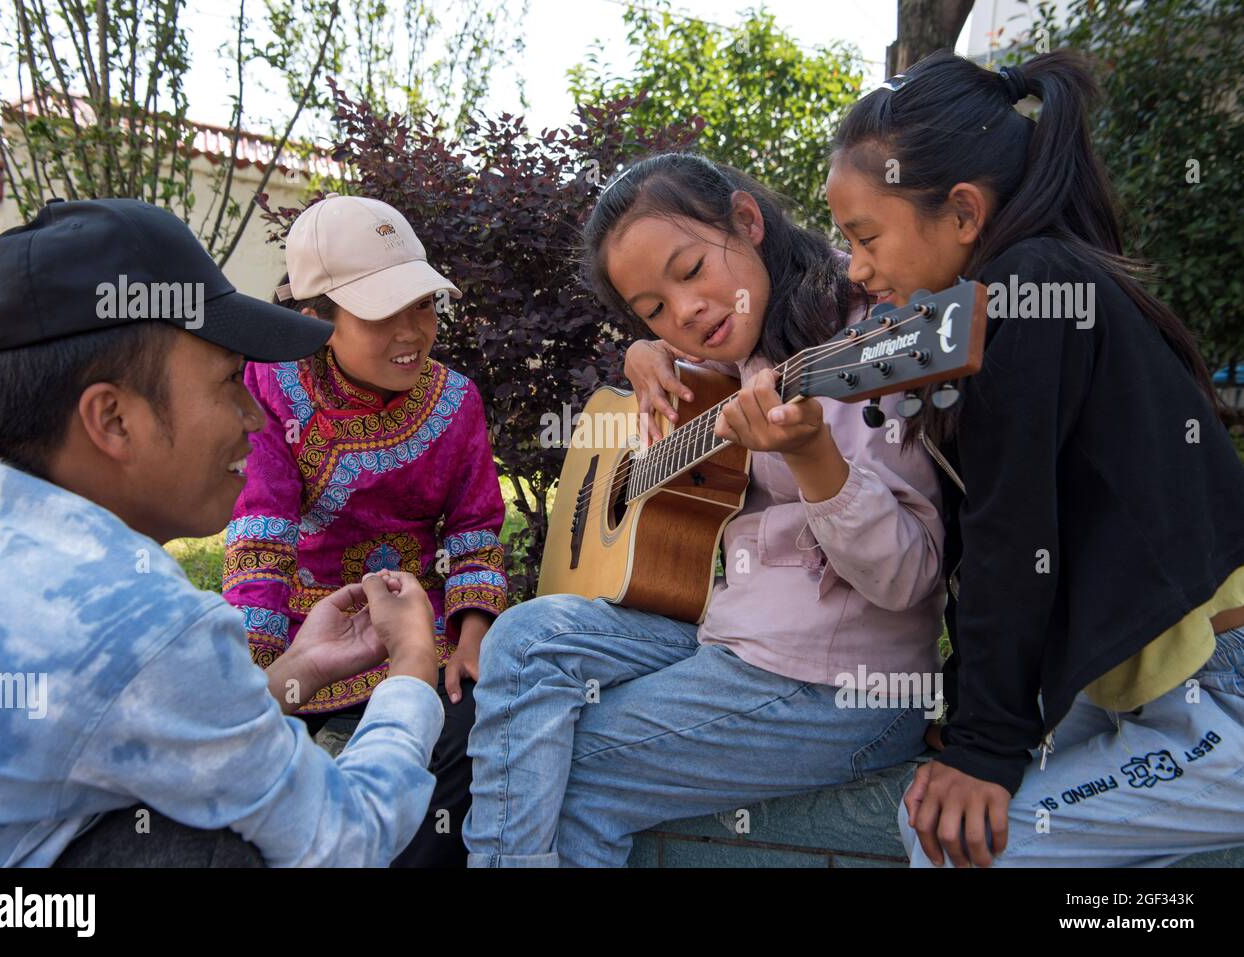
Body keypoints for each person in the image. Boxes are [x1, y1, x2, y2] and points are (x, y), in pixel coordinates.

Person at [463, 152, 947, 867]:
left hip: (837, 686)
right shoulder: (744, 342)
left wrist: (817, 461)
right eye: (654, 307)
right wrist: (642, 355)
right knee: (524, 638)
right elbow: (683, 378)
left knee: (564, 772)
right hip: (735, 637)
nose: (685, 311)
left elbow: (910, 577)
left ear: (748, 221)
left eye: (691, 271)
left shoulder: (870, 336)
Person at [826, 50, 1244, 866]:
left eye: (866, 235)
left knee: (950, 845)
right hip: (1145, 680)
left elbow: (1012, 531)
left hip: (1218, 690)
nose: (859, 268)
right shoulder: (1032, 289)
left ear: (964, 213)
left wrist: (984, 747)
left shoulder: (1029, 283)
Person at [0, 197, 443, 867]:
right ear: (113, 419)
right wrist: (410, 668)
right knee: (218, 847)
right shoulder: (142, 621)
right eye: (230, 382)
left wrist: (296, 672)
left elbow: (135, 714)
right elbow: (344, 838)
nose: (254, 416)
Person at [223, 193, 507, 866]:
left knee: (467, 744)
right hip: (306, 639)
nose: (412, 330)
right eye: (383, 312)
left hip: (423, 636)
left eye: (423, 304)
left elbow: (474, 527)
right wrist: (259, 677)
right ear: (315, 318)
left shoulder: (456, 400)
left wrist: (470, 640)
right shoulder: (270, 386)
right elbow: (261, 538)